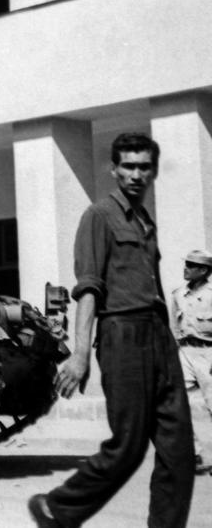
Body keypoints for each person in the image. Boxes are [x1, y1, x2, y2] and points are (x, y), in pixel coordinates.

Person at [28, 133, 194, 528]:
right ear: (114, 169)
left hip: (158, 335)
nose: (136, 174)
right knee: (128, 447)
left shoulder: (144, 221)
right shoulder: (98, 216)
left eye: (144, 166)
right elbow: (88, 288)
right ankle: (57, 508)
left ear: (153, 170)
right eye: (129, 166)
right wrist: (81, 353)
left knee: (179, 453)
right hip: (122, 334)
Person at [171, 248, 212, 474]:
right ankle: (193, 454)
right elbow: (172, 326)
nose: (185, 268)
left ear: (203, 270)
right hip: (185, 351)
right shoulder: (177, 294)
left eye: (190, 265)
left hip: (209, 352)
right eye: (185, 264)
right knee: (176, 403)